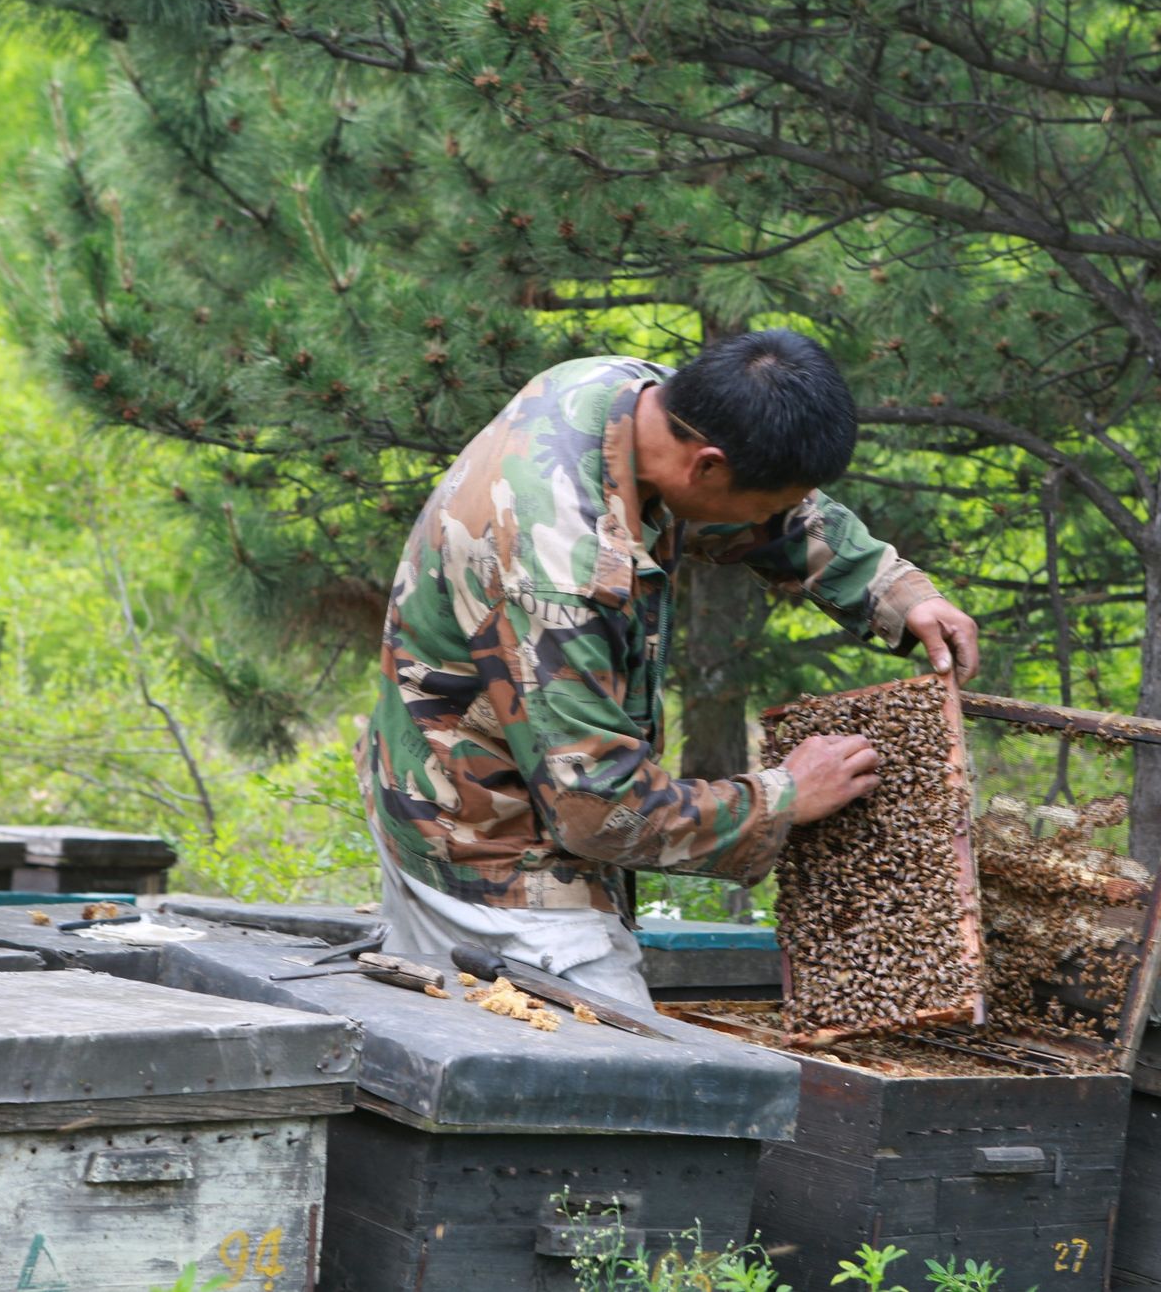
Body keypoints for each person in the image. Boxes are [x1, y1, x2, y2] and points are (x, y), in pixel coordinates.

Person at [363, 330, 980, 1006]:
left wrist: (894, 589)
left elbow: (780, 506)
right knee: (621, 1078)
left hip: (483, 771)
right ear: (707, 466)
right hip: (487, 844)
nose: (776, 519)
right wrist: (783, 795)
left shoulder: (628, 393)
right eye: (769, 506)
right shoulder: (559, 568)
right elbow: (596, 809)